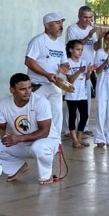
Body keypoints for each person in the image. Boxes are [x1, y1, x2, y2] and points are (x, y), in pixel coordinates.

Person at [0, 73, 59, 185]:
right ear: (12, 90)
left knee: (38, 147)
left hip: (47, 141)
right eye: (23, 89)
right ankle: (17, 167)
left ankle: (46, 176)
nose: (28, 91)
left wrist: (20, 138)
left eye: (29, 88)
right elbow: (0, 128)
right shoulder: (3, 105)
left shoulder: (41, 102)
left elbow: (44, 131)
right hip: (23, 143)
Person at [25, 13, 70, 141]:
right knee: (38, 116)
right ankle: (37, 141)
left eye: (61, 23)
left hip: (54, 85)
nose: (61, 26)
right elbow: (29, 61)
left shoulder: (61, 45)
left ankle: (55, 142)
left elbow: (63, 64)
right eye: (57, 23)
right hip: (38, 86)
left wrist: (64, 68)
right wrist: (46, 74)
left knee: (57, 115)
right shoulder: (38, 40)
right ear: (47, 26)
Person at [65, 39, 93, 148]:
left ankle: (80, 138)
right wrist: (79, 71)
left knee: (84, 116)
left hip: (82, 94)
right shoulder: (67, 62)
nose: (80, 52)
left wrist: (89, 70)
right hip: (72, 94)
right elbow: (70, 80)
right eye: (77, 49)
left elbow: (86, 77)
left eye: (81, 50)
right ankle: (74, 140)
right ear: (71, 50)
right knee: (73, 116)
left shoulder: (84, 61)